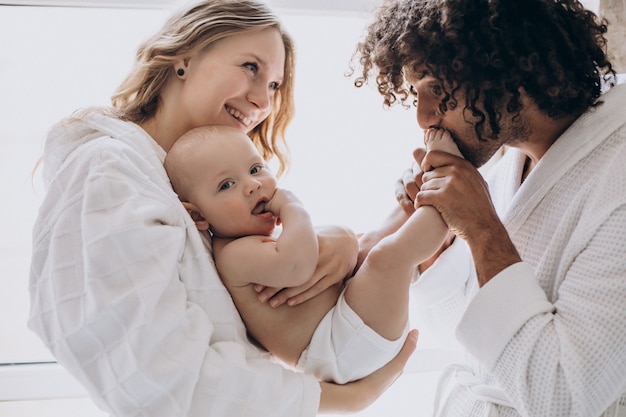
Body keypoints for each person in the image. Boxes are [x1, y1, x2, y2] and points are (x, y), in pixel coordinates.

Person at [26, 1, 418, 416]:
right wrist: (347, 400)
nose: (262, 101)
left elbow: (246, 309)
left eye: (273, 86)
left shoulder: (197, 185)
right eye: (251, 67)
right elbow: (157, 373)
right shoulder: (109, 170)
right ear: (184, 58)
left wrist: (339, 243)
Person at [351, 0, 626, 416]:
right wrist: (437, 240)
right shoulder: (502, 161)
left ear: (506, 68)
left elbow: (565, 397)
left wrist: (482, 228)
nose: (424, 118)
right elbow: (460, 338)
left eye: (438, 90)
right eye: (415, 92)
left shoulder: (617, 169)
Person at [164, 124, 460, 383]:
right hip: (340, 347)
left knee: (371, 249)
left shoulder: (250, 240)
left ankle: (430, 200)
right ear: (198, 216)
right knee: (388, 257)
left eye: (255, 169)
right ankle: (450, 190)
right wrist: (292, 206)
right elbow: (298, 266)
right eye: (227, 185)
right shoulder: (233, 255)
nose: (252, 185)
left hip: (348, 320)